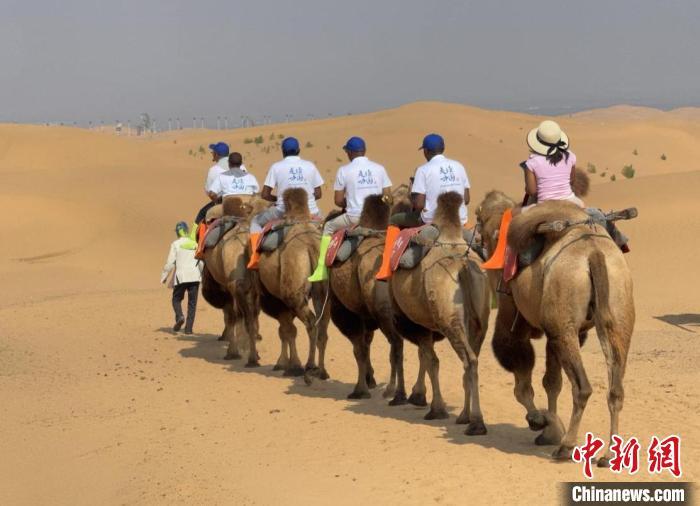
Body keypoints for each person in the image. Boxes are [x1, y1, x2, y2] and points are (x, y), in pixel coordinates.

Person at [376, 133, 470, 280]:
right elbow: (467, 199)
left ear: (425, 151)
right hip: (459, 220)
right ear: (443, 148)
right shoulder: (459, 166)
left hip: (433, 222)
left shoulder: (423, 170)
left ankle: (386, 267)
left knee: (394, 219)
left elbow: (419, 205)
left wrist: (413, 197)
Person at [308, 136, 392, 282]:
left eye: (347, 152)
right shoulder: (379, 168)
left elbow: (338, 200)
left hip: (355, 217)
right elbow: (388, 197)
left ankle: (321, 269)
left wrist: (350, 201)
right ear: (364, 151)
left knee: (328, 226)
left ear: (350, 153)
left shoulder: (344, 170)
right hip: (379, 218)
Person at [246, 137, 324, 269]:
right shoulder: (310, 166)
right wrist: (303, 202)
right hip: (310, 210)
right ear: (299, 150)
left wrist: (279, 200)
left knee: (255, 222)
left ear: (283, 151)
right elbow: (319, 193)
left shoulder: (276, 167)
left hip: (283, 210)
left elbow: (265, 194)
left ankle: (255, 257)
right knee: (325, 225)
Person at [160, 222, 203, 334]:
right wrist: (202, 275)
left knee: (176, 299)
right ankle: (188, 329)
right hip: (194, 276)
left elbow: (170, 262)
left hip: (181, 276)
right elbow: (200, 261)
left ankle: (179, 316)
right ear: (187, 230)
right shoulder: (194, 243)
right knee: (192, 304)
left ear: (177, 232)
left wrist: (164, 276)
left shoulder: (175, 244)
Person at [194, 142, 231, 226]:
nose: (212, 154)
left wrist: (216, 201)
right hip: (242, 202)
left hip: (223, 203)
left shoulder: (214, 170)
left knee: (201, 214)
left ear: (217, 155)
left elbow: (209, 192)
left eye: (213, 152)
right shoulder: (240, 165)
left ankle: (193, 238)